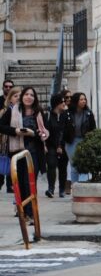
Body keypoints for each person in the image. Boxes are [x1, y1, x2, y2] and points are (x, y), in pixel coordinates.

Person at [1, 86, 47, 216]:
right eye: (26, 94)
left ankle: (32, 212)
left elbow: (45, 134)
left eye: (32, 95)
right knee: (20, 183)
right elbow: (1, 126)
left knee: (30, 182)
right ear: (22, 97)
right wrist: (15, 131)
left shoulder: (38, 112)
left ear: (35, 98)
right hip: (17, 152)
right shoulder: (13, 110)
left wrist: (34, 134)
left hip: (34, 152)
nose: (29, 97)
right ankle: (23, 212)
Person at [63, 92, 96, 187]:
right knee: (74, 166)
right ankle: (75, 188)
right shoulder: (68, 113)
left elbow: (93, 128)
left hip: (84, 141)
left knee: (83, 165)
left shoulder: (88, 113)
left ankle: (83, 187)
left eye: (84, 99)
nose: (84, 101)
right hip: (71, 142)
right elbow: (63, 128)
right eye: (81, 99)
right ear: (76, 101)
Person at [43, 92, 69, 198]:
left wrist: (61, 146)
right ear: (56, 104)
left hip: (63, 146)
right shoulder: (48, 116)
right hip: (51, 145)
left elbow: (66, 131)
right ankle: (51, 189)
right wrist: (44, 144)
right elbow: (44, 131)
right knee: (51, 165)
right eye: (62, 101)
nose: (64, 103)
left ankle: (62, 189)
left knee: (63, 168)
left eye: (64, 101)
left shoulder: (66, 115)